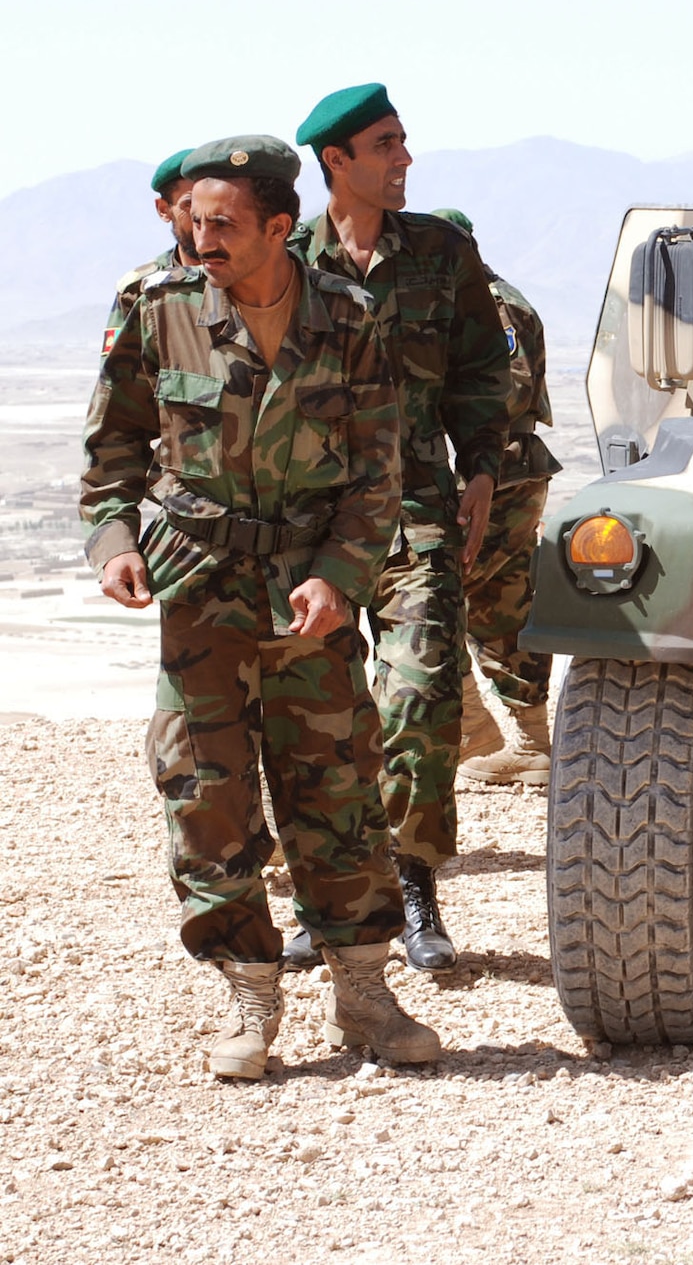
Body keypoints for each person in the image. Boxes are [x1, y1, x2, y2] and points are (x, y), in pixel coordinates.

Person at [81, 135, 440, 1079]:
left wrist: (340, 574)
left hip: (306, 597)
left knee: (336, 783)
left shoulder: (349, 319)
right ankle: (249, 988)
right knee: (207, 789)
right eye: (194, 220)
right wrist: (116, 547)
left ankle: (363, 988)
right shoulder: (155, 310)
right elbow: (112, 456)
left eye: (224, 223)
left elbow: (376, 475)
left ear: (280, 227)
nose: (201, 237)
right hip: (199, 587)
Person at [287, 85, 512, 972]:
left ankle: (413, 882)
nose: (405, 160)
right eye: (386, 145)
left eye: (405, 142)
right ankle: (333, 900)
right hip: (310, 527)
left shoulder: (441, 252)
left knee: (419, 696)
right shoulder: (287, 257)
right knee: (319, 721)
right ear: (337, 161)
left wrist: (484, 465)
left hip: (417, 511)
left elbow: (482, 366)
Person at [430, 207, 560, 785]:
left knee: (433, 588)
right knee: (500, 600)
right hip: (508, 470)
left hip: (488, 472)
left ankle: (470, 726)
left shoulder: (486, 304)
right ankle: (530, 741)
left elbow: (505, 392)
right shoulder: (501, 295)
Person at [102, 149, 197, 356]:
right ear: (164, 209)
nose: (202, 216)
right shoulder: (139, 289)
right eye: (189, 204)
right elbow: (116, 382)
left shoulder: (256, 277)